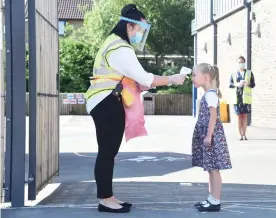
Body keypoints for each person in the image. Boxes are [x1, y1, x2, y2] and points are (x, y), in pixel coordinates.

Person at [85, 4, 187, 213]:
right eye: (140, 30)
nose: (140, 35)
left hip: (104, 101)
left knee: (108, 152)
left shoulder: (112, 43)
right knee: (107, 152)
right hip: (106, 101)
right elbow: (144, 78)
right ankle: (105, 199)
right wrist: (172, 79)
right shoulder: (120, 48)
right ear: (130, 27)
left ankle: (108, 196)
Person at [191, 63, 232, 212]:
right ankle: (211, 198)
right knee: (210, 168)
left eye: (195, 75)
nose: (192, 78)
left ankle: (215, 200)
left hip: (212, 137)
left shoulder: (211, 95)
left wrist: (208, 136)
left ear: (206, 77)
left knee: (214, 169)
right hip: (208, 135)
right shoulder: (208, 94)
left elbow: (213, 117)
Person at [229, 56, 255, 140]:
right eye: (239, 62)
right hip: (237, 98)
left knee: (244, 116)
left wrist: (248, 84)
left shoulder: (249, 73)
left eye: (242, 62)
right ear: (238, 63)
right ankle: (240, 134)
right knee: (239, 116)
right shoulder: (233, 74)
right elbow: (230, 84)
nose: (241, 64)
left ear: (245, 63)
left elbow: (253, 84)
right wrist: (237, 84)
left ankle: (244, 134)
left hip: (246, 98)